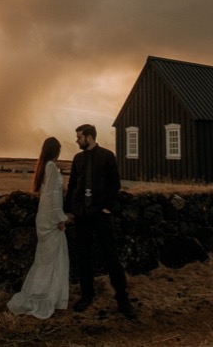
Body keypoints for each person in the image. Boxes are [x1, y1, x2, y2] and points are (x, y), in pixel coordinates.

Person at [63, 123, 136, 319]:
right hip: (82, 216)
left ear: (89, 137)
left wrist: (108, 208)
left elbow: (115, 184)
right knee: (84, 257)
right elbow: (72, 187)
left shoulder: (107, 156)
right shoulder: (77, 159)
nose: (76, 140)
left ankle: (123, 299)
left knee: (111, 257)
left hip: (101, 215)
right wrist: (67, 210)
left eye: (79, 137)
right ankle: (87, 295)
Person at [6, 137, 70, 319]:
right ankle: (41, 299)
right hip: (50, 219)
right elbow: (52, 196)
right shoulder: (50, 167)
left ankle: (48, 296)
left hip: (45, 217)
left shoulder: (45, 166)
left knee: (47, 260)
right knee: (49, 261)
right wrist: (60, 218)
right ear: (56, 150)